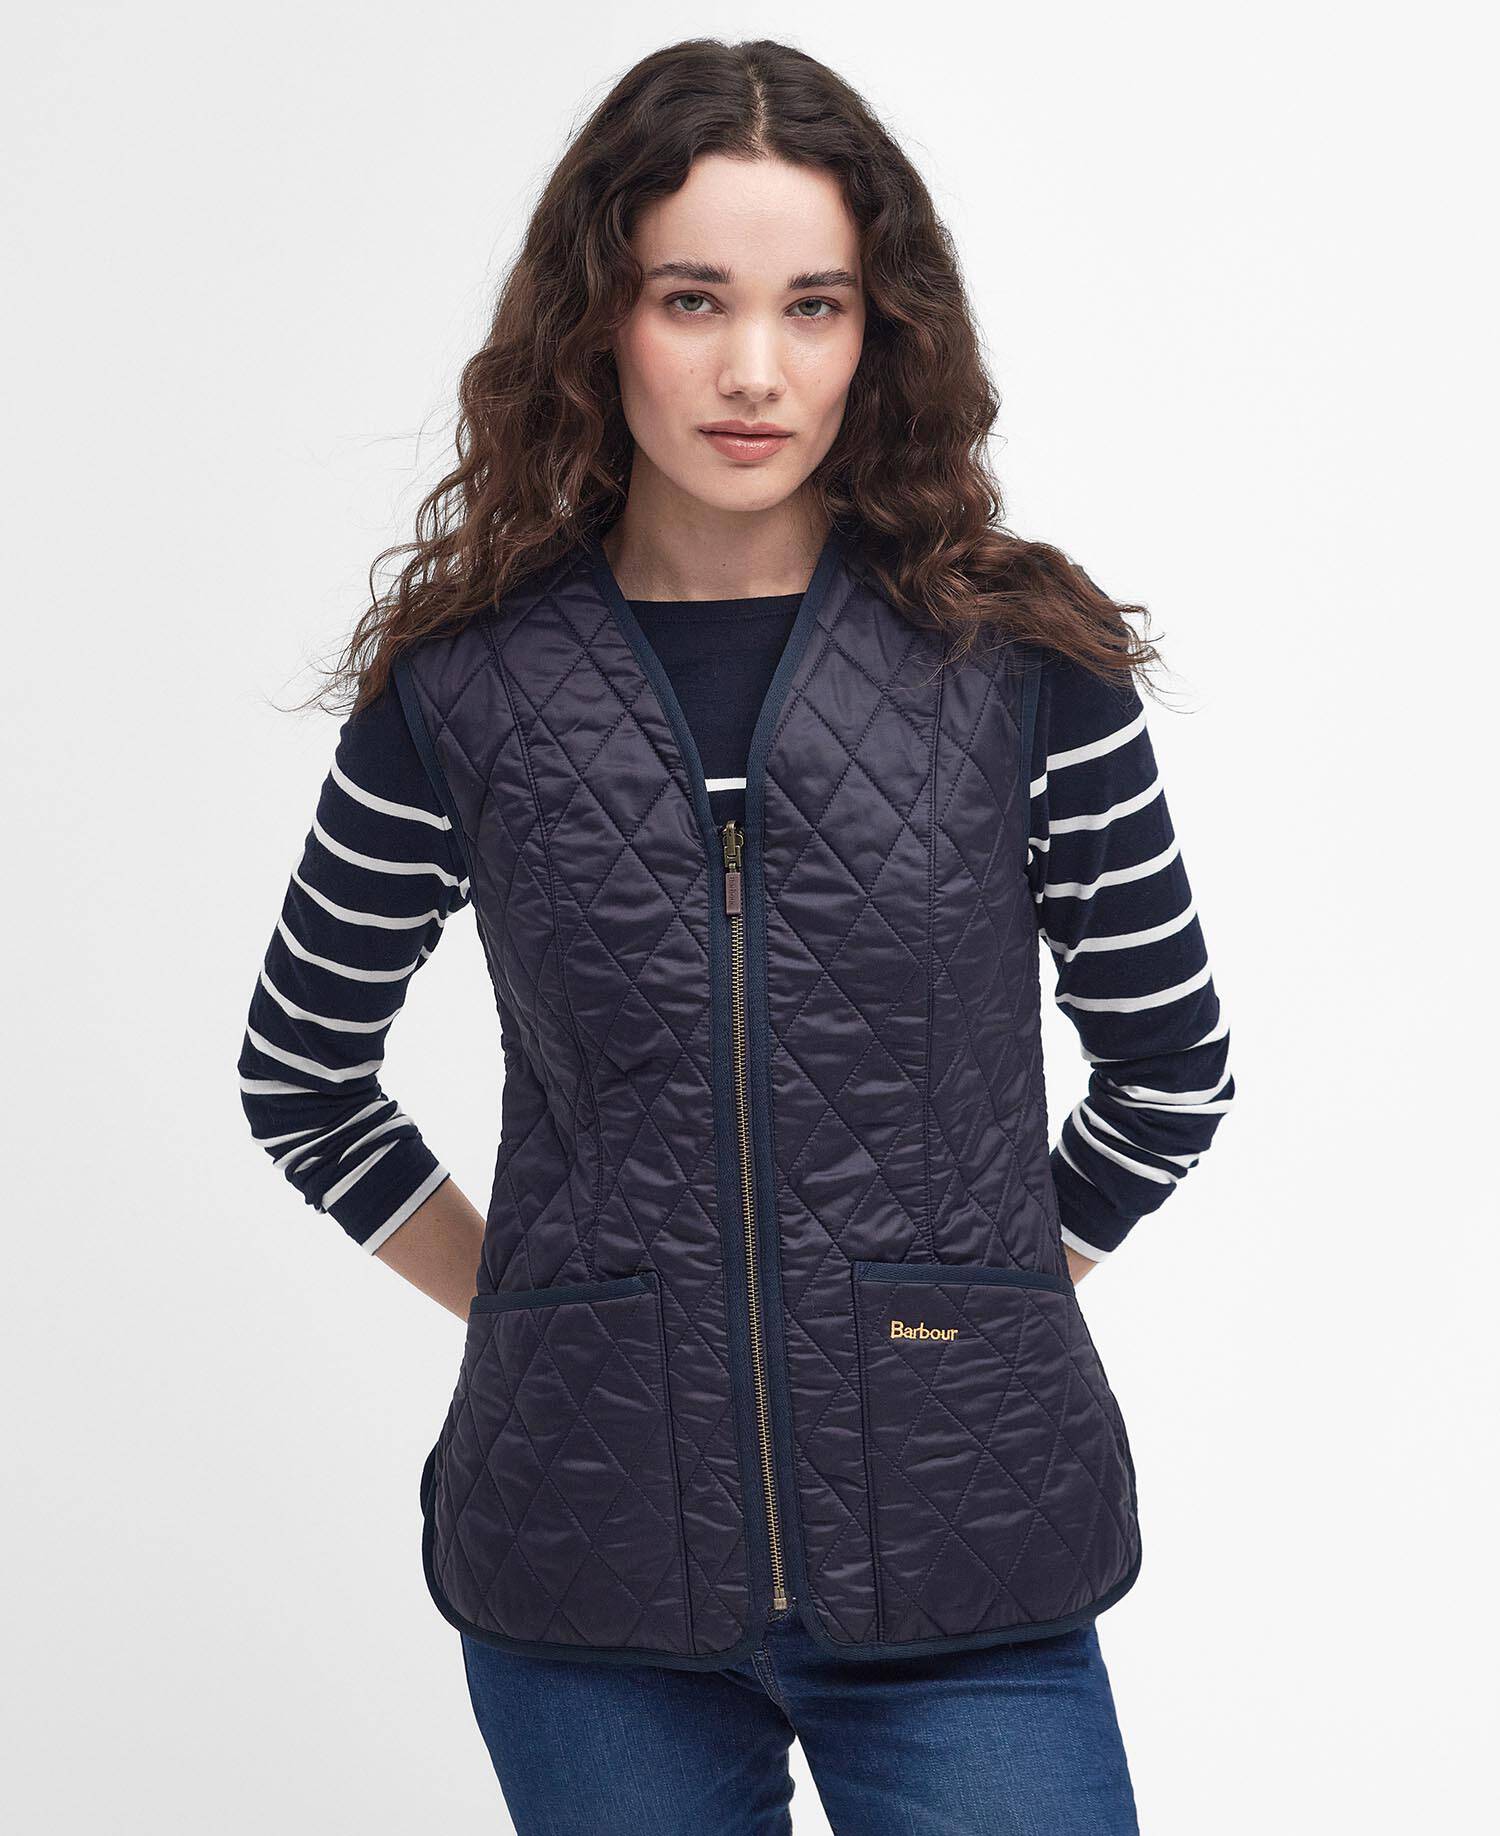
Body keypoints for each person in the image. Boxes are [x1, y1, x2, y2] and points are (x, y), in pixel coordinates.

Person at [237, 37, 1234, 1835]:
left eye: (814, 306)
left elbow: (1170, 1070)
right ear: (597, 323)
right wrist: (542, 1316)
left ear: (881, 334)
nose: (754, 369)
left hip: (969, 1560)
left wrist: (965, 1310)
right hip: (586, 1578)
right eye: (692, 298)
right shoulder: (464, 694)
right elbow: (303, 1076)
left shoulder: (1024, 672)